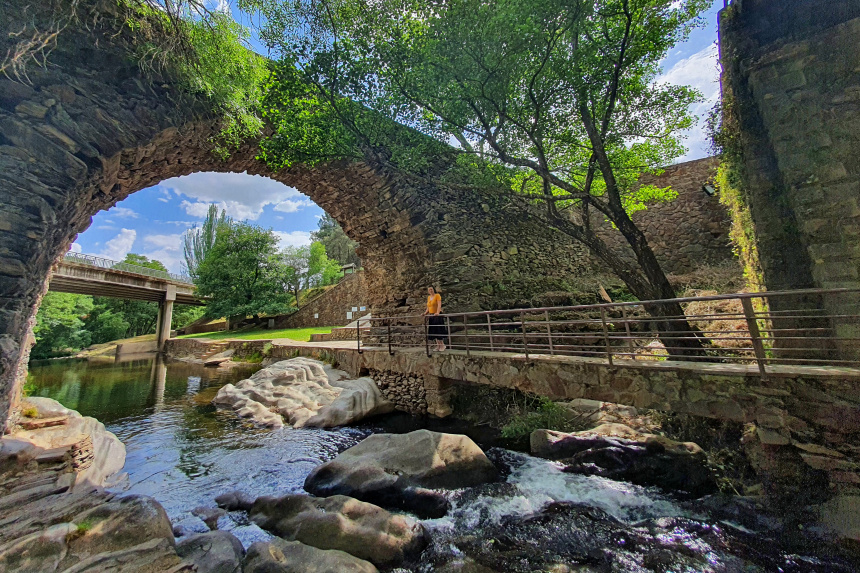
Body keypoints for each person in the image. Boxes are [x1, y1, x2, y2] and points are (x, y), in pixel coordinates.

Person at [424, 286, 446, 351]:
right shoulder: (429, 298)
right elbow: (428, 307)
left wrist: (437, 312)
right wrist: (425, 313)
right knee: (434, 330)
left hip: (436, 315)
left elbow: (439, 305)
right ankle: (438, 346)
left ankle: (442, 345)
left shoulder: (437, 295)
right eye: (429, 290)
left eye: (431, 289)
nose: (430, 291)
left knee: (438, 330)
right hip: (431, 315)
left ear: (433, 289)